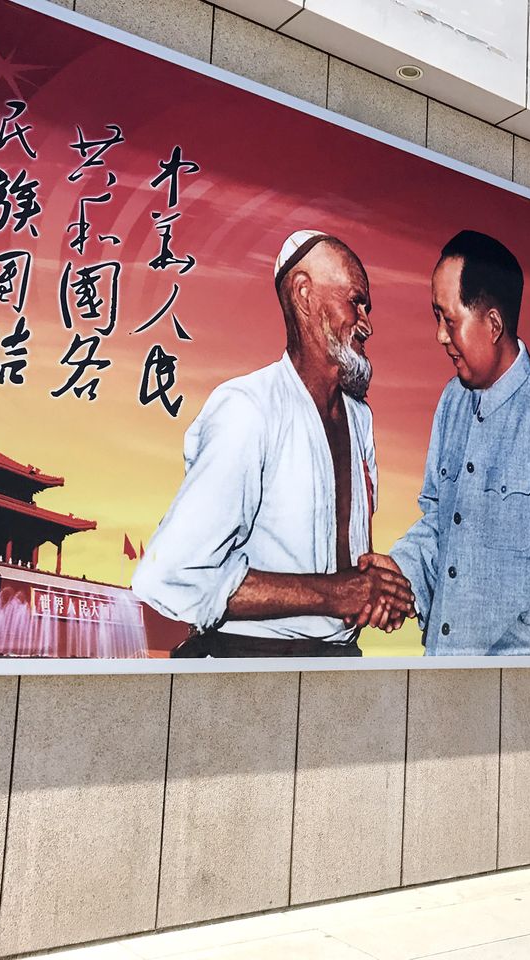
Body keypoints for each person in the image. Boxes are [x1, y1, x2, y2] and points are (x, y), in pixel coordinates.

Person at [132, 230, 413, 657]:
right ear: (304, 294)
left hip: (341, 665)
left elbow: (347, 568)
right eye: (355, 302)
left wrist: (377, 589)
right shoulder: (247, 408)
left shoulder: (360, 419)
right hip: (246, 664)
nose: (367, 323)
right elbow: (170, 574)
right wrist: (335, 594)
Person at [358, 230, 530, 655]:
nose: (439, 335)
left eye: (448, 320)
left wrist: (491, 677)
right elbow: (438, 523)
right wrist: (400, 575)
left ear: (492, 324)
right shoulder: (452, 401)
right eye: (436, 316)